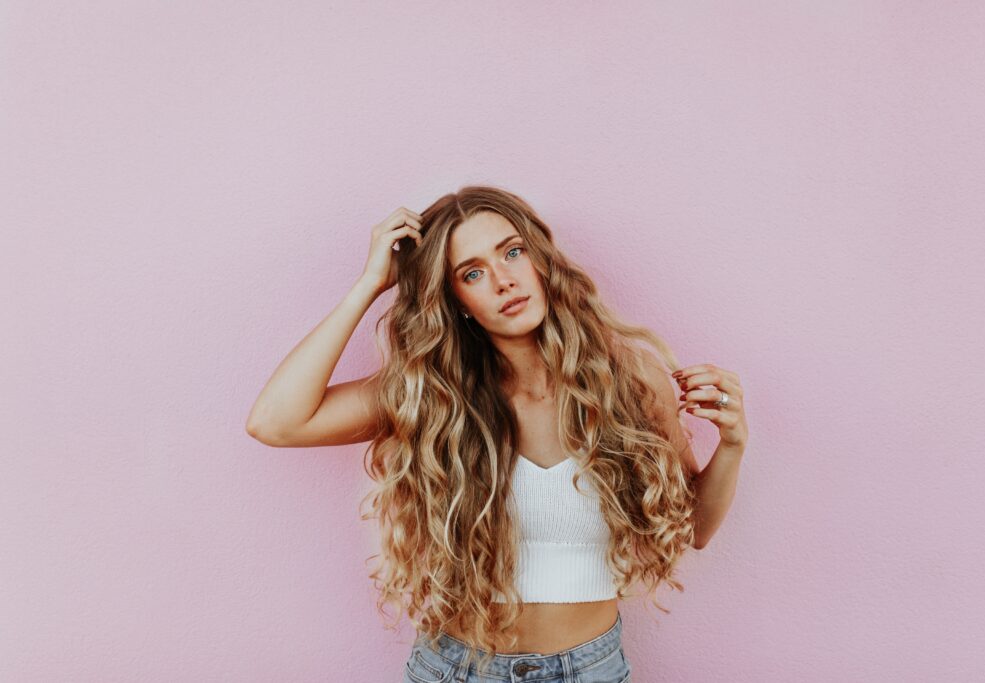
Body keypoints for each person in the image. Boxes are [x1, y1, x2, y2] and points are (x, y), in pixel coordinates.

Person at [246, 185, 749, 682]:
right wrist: (371, 284)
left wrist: (731, 445)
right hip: (458, 669)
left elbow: (694, 530)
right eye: (473, 273)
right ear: (456, 299)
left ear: (541, 259)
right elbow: (276, 422)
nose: (504, 280)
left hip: (590, 670)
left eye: (512, 252)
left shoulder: (630, 381)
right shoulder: (433, 395)